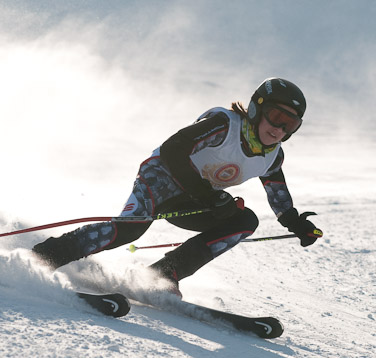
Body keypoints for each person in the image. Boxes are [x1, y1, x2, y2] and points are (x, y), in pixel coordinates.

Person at [32, 77, 323, 296]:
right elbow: (173, 150)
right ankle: (48, 255)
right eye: (276, 117)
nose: (279, 129)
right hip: (160, 181)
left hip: (194, 200)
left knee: (244, 220)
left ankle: (163, 274)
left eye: (290, 125)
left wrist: (295, 224)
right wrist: (207, 195)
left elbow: (277, 193)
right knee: (129, 229)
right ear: (257, 108)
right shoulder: (224, 126)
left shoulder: (271, 156)